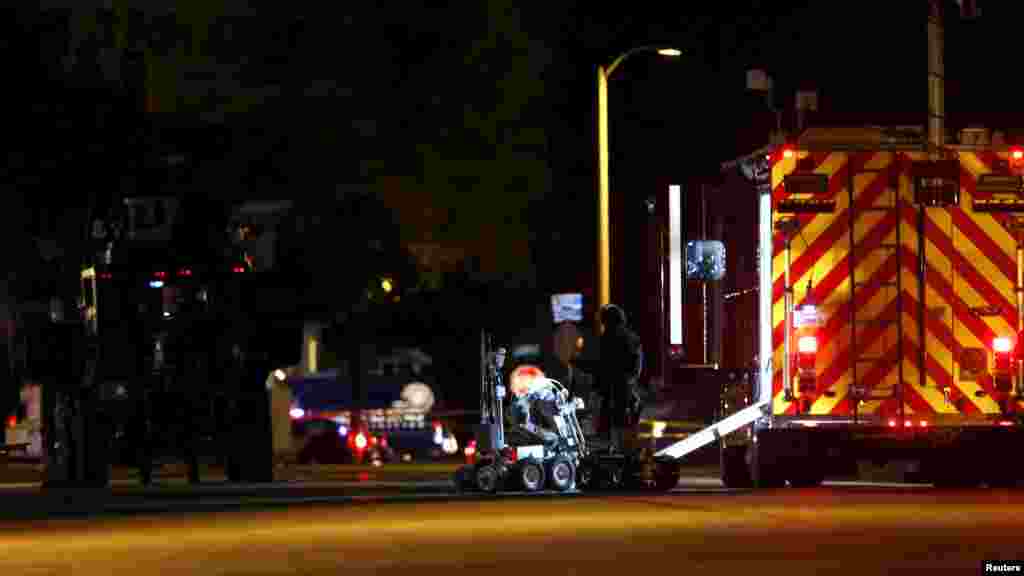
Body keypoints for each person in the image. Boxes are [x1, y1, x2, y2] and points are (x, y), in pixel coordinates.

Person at [572, 304, 644, 454]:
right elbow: (635, 368)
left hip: (611, 393)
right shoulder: (632, 338)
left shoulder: (608, 339)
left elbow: (601, 367)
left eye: (602, 319)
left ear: (607, 320)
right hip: (627, 393)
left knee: (609, 435)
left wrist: (577, 362)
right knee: (626, 433)